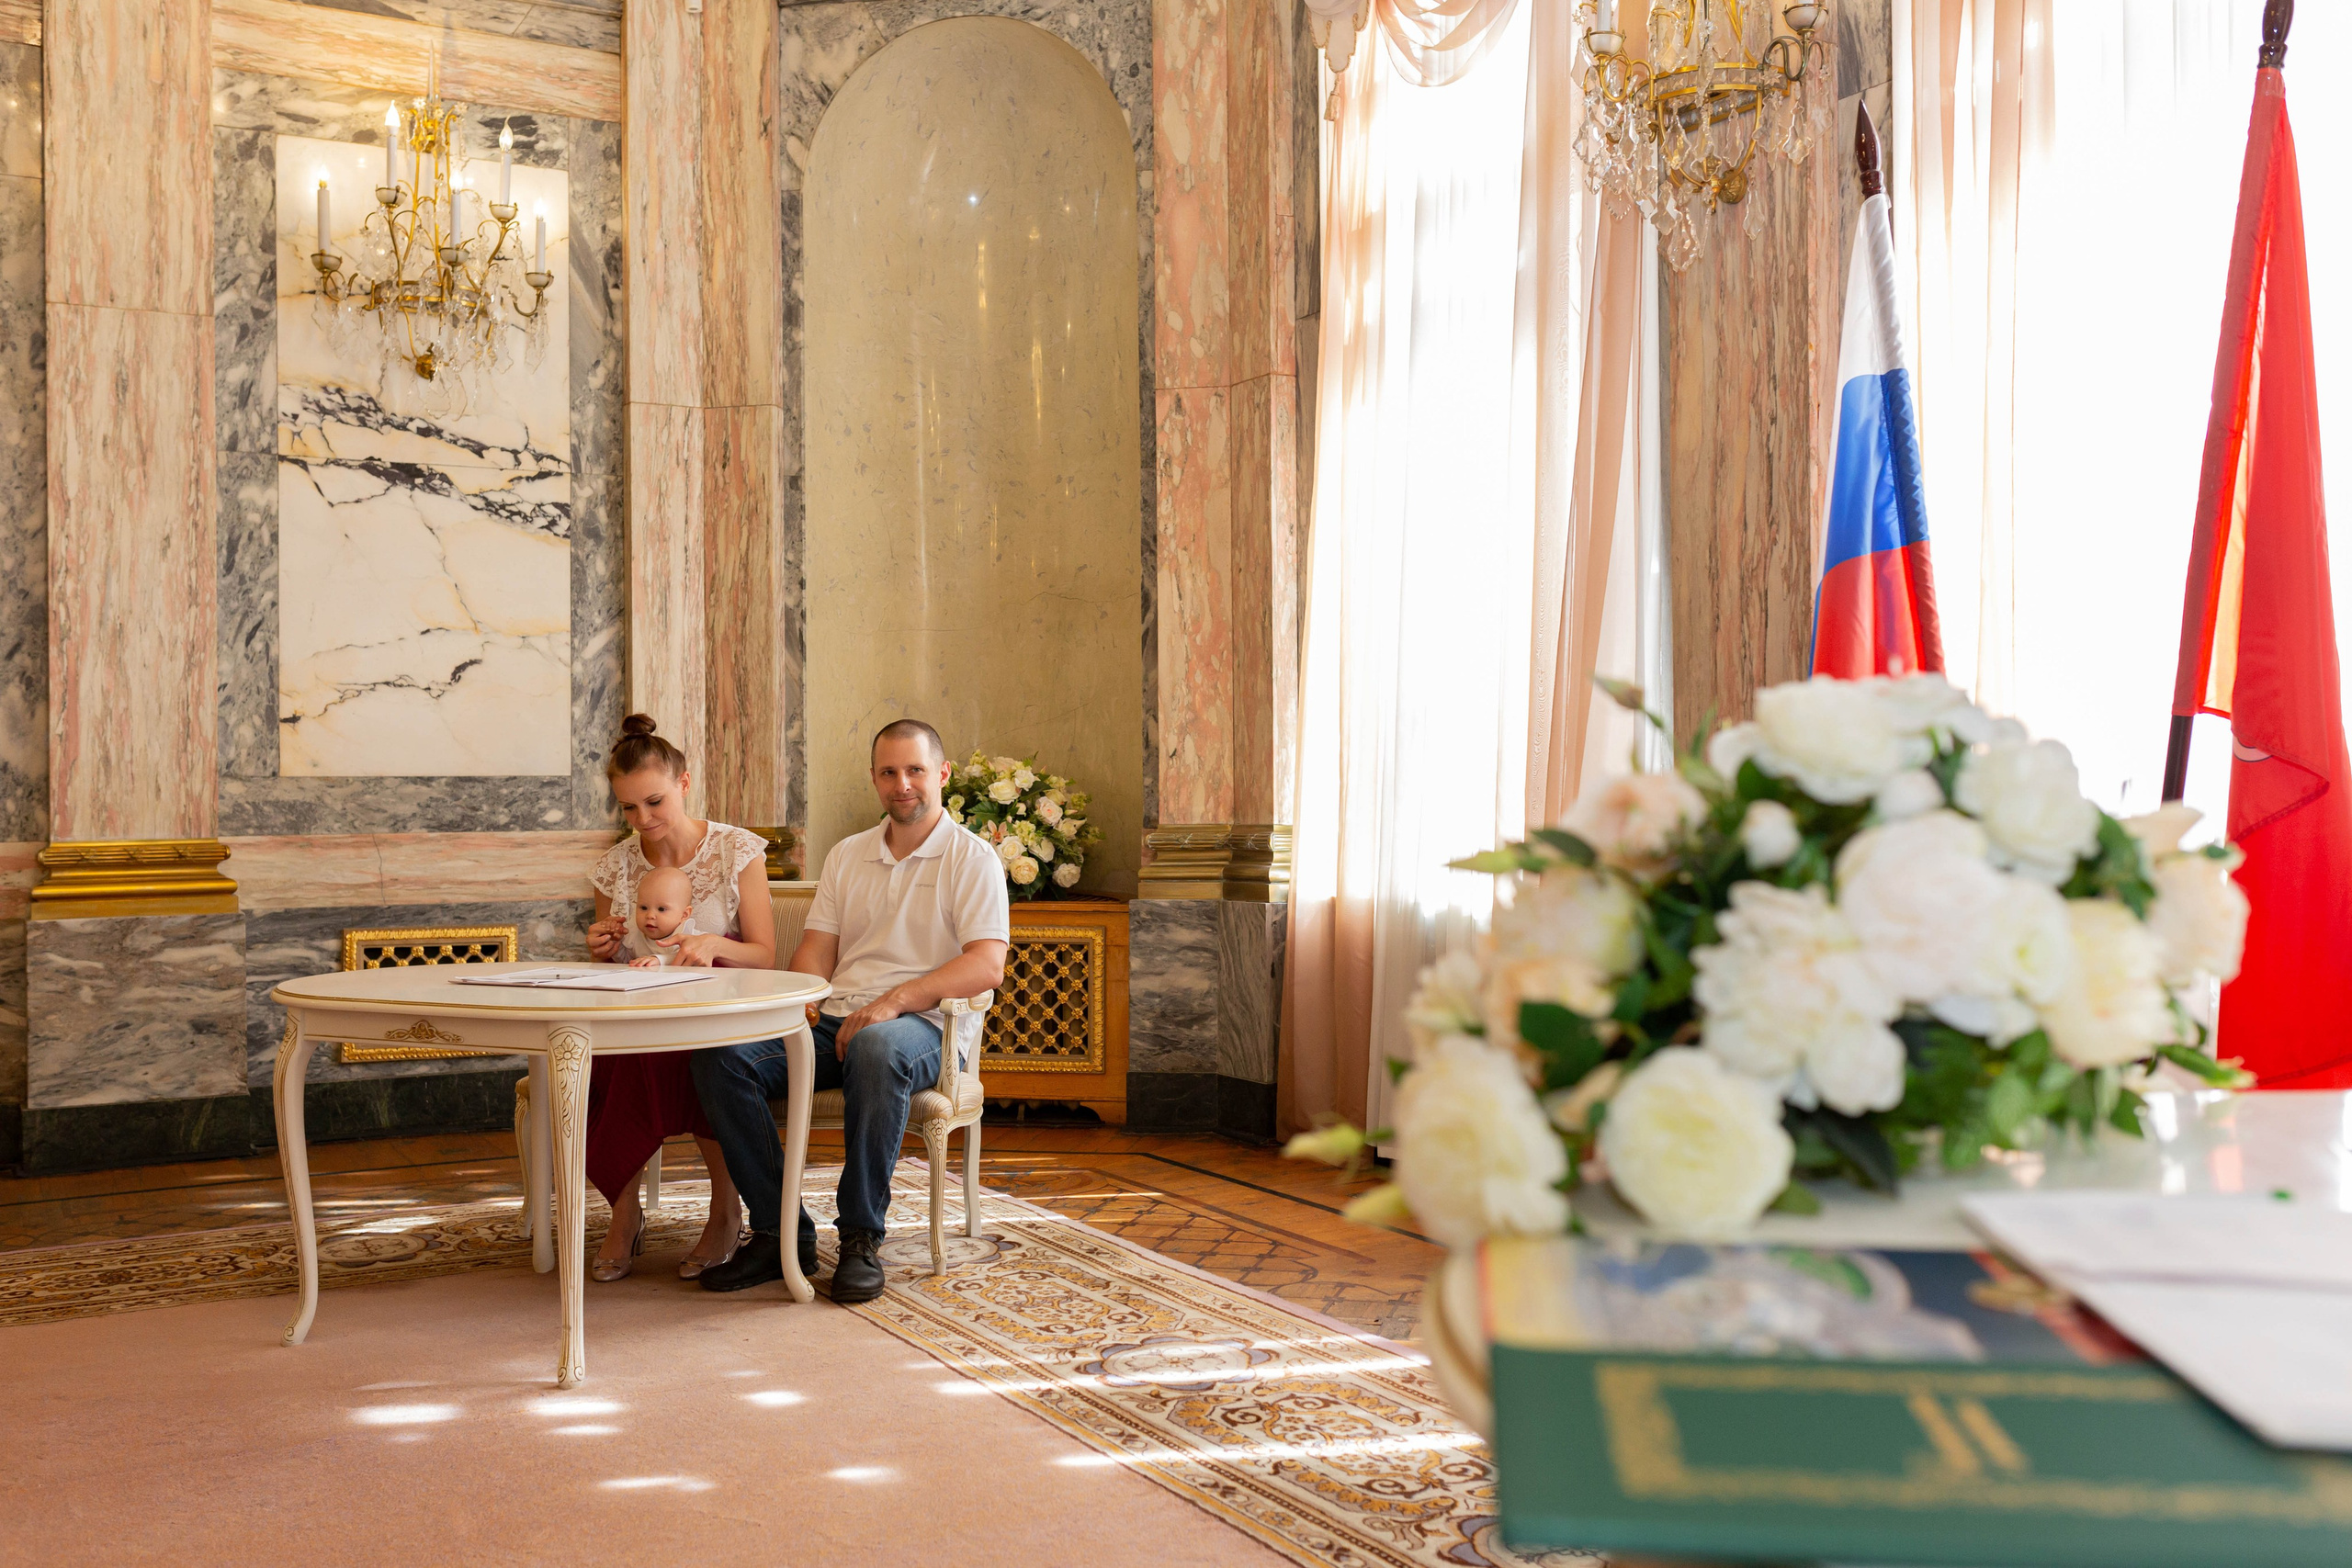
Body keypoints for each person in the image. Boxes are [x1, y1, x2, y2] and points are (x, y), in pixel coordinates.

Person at [693, 718, 1009, 1303]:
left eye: (915, 770)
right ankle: (780, 1232)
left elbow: (987, 964)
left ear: (942, 773)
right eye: (889, 772)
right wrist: (802, 1001)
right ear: (874, 779)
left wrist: (891, 1003)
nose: (903, 784)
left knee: (876, 1045)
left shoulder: (973, 859)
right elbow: (816, 952)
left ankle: (862, 1235)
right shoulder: (847, 855)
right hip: (837, 1019)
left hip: (924, 1027)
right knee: (721, 1056)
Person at [582, 714, 777, 1282]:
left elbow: (765, 954)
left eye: (655, 802)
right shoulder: (614, 865)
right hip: (638, 1016)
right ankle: (623, 1212)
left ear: (685, 784)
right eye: (628, 808)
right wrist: (601, 946)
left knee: (702, 1057)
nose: (643, 820)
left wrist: (716, 943)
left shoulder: (736, 850)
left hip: (719, 1016)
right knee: (608, 1054)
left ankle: (725, 1210)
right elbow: (612, 957)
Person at [624, 864, 706, 967]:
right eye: (643, 908)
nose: (650, 915)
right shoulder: (635, 933)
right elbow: (625, 959)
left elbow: (688, 954)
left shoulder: (688, 935)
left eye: (661, 909)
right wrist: (613, 945)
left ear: (684, 915)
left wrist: (659, 960)